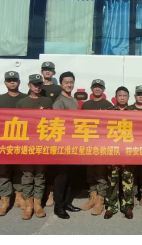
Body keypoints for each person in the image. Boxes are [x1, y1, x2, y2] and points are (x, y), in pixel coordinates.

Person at [16, 74, 55, 219]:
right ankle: (28, 206)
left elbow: (53, 121)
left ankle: (38, 205)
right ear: (29, 85)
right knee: (27, 175)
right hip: (26, 144)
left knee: (40, 175)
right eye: (34, 84)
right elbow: (16, 123)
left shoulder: (47, 101)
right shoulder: (22, 102)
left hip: (42, 143)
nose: (37, 87)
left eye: (39, 84)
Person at [0, 71, 28, 216]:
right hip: (4, 140)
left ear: (19, 82)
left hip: (22, 139)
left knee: (20, 169)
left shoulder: (26, 98)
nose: (12, 82)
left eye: (14, 80)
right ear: (5, 82)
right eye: (9, 80)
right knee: (4, 170)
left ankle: (19, 196)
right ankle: (5, 200)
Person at [79, 79, 113, 216]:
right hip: (89, 143)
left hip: (102, 143)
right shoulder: (86, 105)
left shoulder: (108, 105)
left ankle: (100, 200)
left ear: (103, 90)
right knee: (90, 172)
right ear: (91, 89)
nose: (97, 89)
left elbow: (111, 124)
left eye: (100, 87)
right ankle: (92, 197)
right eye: (95, 87)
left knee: (101, 173)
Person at [51, 71, 82, 219]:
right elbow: (58, 123)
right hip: (63, 144)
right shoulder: (59, 101)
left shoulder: (73, 100)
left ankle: (67, 202)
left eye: (71, 82)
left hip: (73, 143)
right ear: (61, 84)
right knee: (61, 177)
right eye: (66, 82)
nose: (69, 85)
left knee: (71, 176)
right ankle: (58, 207)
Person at [105, 86, 135, 220]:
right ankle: (111, 206)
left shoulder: (134, 112)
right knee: (112, 179)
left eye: (124, 96)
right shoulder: (109, 112)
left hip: (128, 151)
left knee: (127, 179)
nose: (122, 98)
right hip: (113, 150)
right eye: (120, 95)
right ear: (115, 97)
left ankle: (127, 206)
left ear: (128, 97)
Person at [40, 60, 61, 207]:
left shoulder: (58, 89)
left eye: (50, 70)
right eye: (45, 69)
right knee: (41, 164)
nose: (47, 72)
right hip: (39, 129)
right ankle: (40, 193)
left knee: (53, 164)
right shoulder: (36, 86)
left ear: (54, 72)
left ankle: (51, 192)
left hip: (54, 128)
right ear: (41, 72)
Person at [129, 85, 142, 207]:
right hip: (131, 145)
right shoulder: (129, 109)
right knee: (132, 171)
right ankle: (132, 193)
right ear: (135, 96)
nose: (140, 97)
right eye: (138, 94)